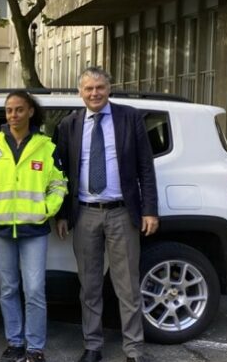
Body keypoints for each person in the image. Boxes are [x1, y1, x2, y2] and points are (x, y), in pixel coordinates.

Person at [54, 67, 159, 362]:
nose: (94, 93)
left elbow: (145, 168)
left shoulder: (130, 118)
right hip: (85, 213)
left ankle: (134, 350)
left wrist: (149, 210)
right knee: (89, 286)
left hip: (122, 213)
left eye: (99, 87)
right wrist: (62, 214)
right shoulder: (69, 125)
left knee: (127, 285)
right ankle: (92, 346)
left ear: (109, 88)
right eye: (88, 89)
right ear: (80, 93)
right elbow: (60, 175)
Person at [0, 91, 67, 362]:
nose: (13, 115)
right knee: (9, 288)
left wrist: (48, 209)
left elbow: (58, 184)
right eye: (9, 110)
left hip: (33, 229)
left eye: (19, 109)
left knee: (34, 289)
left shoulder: (46, 147)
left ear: (30, 112)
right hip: (0, 228)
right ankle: (15, 343)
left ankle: (35, 348)